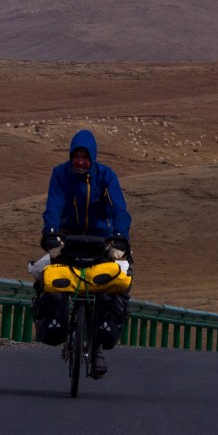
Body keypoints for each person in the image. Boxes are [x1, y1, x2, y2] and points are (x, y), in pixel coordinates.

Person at [30, 129, 132, 378]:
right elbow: (53, 206)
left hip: (102, 240)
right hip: (67, 237)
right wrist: (51, 234)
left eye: (85, 157)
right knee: (45, 275)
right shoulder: (61, 174)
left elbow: (119, 209)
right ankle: (57, 325)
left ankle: (98, 348)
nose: (80, 162)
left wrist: (120, 239)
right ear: (70, 156)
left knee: (115, 281)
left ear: (92, 157)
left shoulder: (106, 176)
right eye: (76, 156)